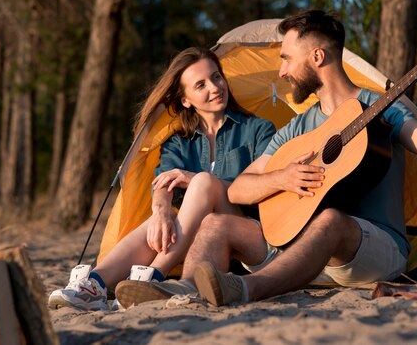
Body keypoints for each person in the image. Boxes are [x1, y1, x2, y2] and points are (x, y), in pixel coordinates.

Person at [122, 9, 417, 307]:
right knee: (215, 223)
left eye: (287, 59)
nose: (281, 71)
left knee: (331, 220)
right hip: (304, 255)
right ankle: (186, 290)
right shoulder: (299, 126)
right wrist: (281, 178)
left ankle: (247, 288)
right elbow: (238, 190)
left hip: (372, 252)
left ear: (318, 57)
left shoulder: (378, 107)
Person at [48, 47, 275, 311]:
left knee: (203, 182)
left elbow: (265, 187)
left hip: (244, 235)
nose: (214, 88)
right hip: (198, 245)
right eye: (201, 84)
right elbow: (162, 183)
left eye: (216, 77)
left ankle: (154, 275)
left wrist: (196, 180)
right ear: (186, 100)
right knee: (159, 223)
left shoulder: (258, 129)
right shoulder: (179, 142)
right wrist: (161, 211)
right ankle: (93, 285)